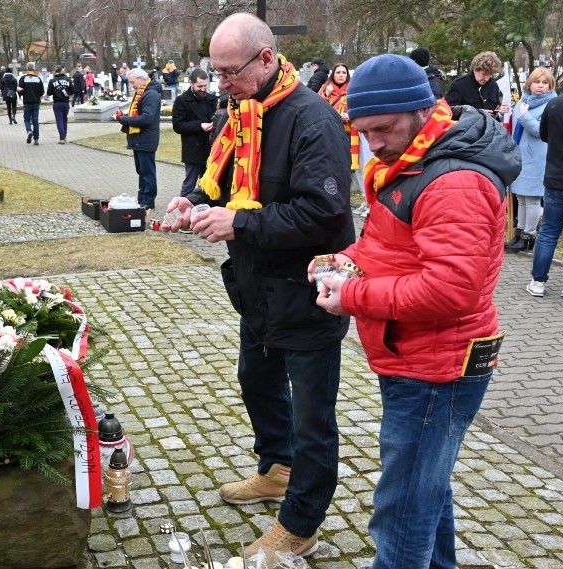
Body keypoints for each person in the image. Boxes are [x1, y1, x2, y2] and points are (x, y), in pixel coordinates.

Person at [313, 54, 521, 569]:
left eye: (383, 129)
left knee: (404, 503)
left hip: (437, 366)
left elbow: (452, 290)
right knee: (427, 489)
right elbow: (390, 244)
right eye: (363, 133)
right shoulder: (415, 161)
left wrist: (352, 296)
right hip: (418, 356)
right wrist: (349, 259)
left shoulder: (452, 181)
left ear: (423, 109)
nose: (374, 143)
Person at [162, 13, 354, 564]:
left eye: (229, 72)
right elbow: (215, 181)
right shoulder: (242, 113)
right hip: (257, 288)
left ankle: (300, 523)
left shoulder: (313, 120)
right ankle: (277, 468)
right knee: (256, 379)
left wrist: (238, 223)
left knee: (312, 418)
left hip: (307, 291)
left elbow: (325, 214)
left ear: (266, 59)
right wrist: (193, 203)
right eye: (215, 72)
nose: (220, 83)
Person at [527, 80, 563, 298]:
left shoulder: (554, 105)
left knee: (548, 232)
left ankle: (538, 282)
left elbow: (544, 135)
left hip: (554, 176)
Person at [507, 68, 556, 253]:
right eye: (537, 82)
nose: (541, 86)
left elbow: (540, 130)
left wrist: (525, 115)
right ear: (530, 84)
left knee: (533, 199)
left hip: (537, 158)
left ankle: (529, 236)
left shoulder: (551, 104)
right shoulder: (524, 100)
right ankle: (519, 233)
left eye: (545, 83)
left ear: (550, 86)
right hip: (521, 157)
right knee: (520, 196)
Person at [114, 67, 161, 211]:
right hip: (139, 139)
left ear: (141, 79)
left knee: (147, 171)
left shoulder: (150, 94)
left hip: (145, 139)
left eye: (133, 82)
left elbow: (146, 118)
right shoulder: (142, 93)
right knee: (141, 171)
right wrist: (125, 118)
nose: (131, 85)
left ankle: (148, 200)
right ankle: (142, 198)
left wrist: (125, 120)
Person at [172, 68, 217, 198]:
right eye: (199, 86)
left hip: (210, 148)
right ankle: (181, 209)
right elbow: (178, 125)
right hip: (193, 149)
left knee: (207, 185)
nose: (203, 89)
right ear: (191, 83)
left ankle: (203, 210)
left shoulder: (211, 99)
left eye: (205, 86)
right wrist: (199, 125)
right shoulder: (182, 101)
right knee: (189, 184)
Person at [318, 63, 359, 172]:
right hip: (331, 131)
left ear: (347, 75)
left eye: (344, 72)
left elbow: (359, 107)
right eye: (338, 72)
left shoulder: (353, 89)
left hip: (349, 132)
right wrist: (326, 95)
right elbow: (318, 108)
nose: (341, 75)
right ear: (333, 75)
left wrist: (351, 115)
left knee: (347, 160)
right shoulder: (325, 88)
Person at [445, 51, 509, 119]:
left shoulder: (493, 86)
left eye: (490, 75)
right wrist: (475, 113)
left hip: (488, 127)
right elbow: (447, 111)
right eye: (484, 74)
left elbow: (496, 108)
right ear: (475, 69)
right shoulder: (459, 84)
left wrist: (498, 112)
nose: (487, 79)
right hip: (466, 128)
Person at [18, 61, 45, 146]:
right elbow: (42, 92)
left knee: (26, 119)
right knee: (35, 120)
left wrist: (21, 95)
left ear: (27, 68)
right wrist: (37, 95)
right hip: (36, 102)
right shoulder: (38, 79)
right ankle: (36, 139)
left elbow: (19, 90)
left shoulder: (23, 78)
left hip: (27, 102)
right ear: (34, 68)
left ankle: (29, 131)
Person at [47, 65, 73, 144]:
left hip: (57, 103)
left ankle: (62, 138)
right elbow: (72, 91)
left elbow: (49, 92)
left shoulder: (52, 81)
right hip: (65, 103)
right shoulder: (68, 80)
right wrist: (66, 92)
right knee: (65, 119)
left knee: (59, 120)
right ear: (62, 70)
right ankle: (64, 136)